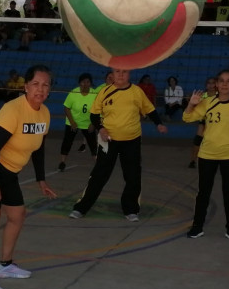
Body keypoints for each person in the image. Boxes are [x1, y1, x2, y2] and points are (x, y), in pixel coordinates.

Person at [0, 65, 57, 289]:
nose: (40, 89)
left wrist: (41, 180)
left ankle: (5, 265)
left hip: (8, 171)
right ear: (26, 86)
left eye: (45, 85)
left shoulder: (45, 113)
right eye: (36, 84)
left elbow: (38, 148)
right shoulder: (13, 110)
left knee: (17, 215)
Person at [69, 68, 168, 221]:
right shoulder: (104, 92)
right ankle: (81, 207)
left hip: (132, 141)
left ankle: (131, 209)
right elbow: (94, 115)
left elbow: (150, 110)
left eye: (124, 72)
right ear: (112, 75)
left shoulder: (137, 91)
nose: (121, 74)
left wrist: (159, 124)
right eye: (117, 72)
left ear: (129, 74)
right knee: (99, 175)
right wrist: (101, 128)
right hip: (109, 140)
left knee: (133, 176)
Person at [183, 69, 229, 242]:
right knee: (203, 192)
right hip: (207, 154)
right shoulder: (207, 102)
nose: (225, 84)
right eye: (221, 81)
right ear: (216, 84)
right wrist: (192, 104)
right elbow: (187, 118)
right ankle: (197, 226)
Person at [58, 73, 98, 171]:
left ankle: (97, 163)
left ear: (90, 83)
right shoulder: (74, 93)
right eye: (83, 82)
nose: (85, 84)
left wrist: (93, 124)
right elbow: (66, 108)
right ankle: (62, 162)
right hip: (73, 121)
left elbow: (97, 110)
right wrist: (72, 122)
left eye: (88, 82)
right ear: (80, 83)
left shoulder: (95, 94)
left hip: (87, 122)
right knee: (67, 141)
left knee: (92, 143)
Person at [188, 76, 217, 169]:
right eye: (209, 83)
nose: (211, 85)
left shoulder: (220, 95)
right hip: (205, 120)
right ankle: (193, 161)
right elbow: (193, 102)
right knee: (198, 140)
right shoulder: (204, 95)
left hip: (217, 121)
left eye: (213, 83)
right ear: (206, 85)